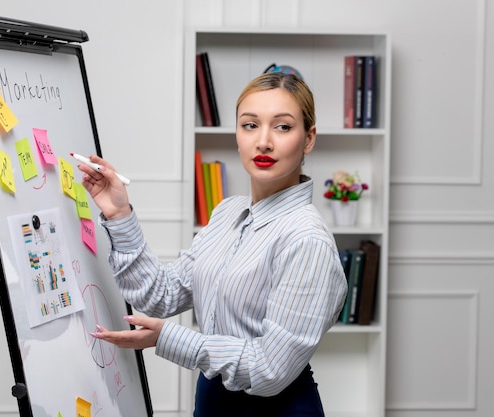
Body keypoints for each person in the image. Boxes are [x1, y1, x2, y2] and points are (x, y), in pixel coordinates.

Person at [79, 71, 347, 417]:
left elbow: (270, 370)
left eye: (282, 127)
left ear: (308, 139)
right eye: (250, 125)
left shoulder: (307, 240)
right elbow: (160, 296)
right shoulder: (227, 213)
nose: (263, 141)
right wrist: (119, 213)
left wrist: (169, 339)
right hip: (211, 402)